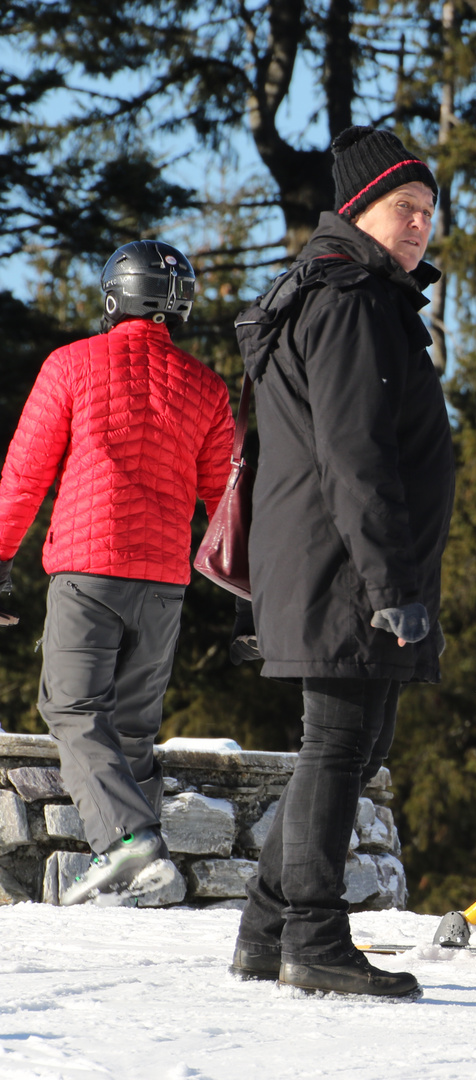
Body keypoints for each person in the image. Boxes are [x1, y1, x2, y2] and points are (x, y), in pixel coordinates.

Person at [229, 125, 455, 1000]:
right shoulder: (353, 296)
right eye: (405, 208)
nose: (419, 226)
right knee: (337, 744)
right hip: (344, 564)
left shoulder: (342, 289)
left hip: (331, 557)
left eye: (429, 212)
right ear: (359, 209)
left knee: (357, 745)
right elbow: (356, 453)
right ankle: (313, 940)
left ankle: (265, 929)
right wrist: (392, 585)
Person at [0, 241, 232, 905]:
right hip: (163, 582)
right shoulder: (206, 387)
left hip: (88, 569)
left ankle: (129, 845)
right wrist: (250, 598)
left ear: (113, 296)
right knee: (130, 727)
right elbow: (228, 506)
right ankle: (147, 877)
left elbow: (25, 474)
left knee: (71, 707)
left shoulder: (70, 365)